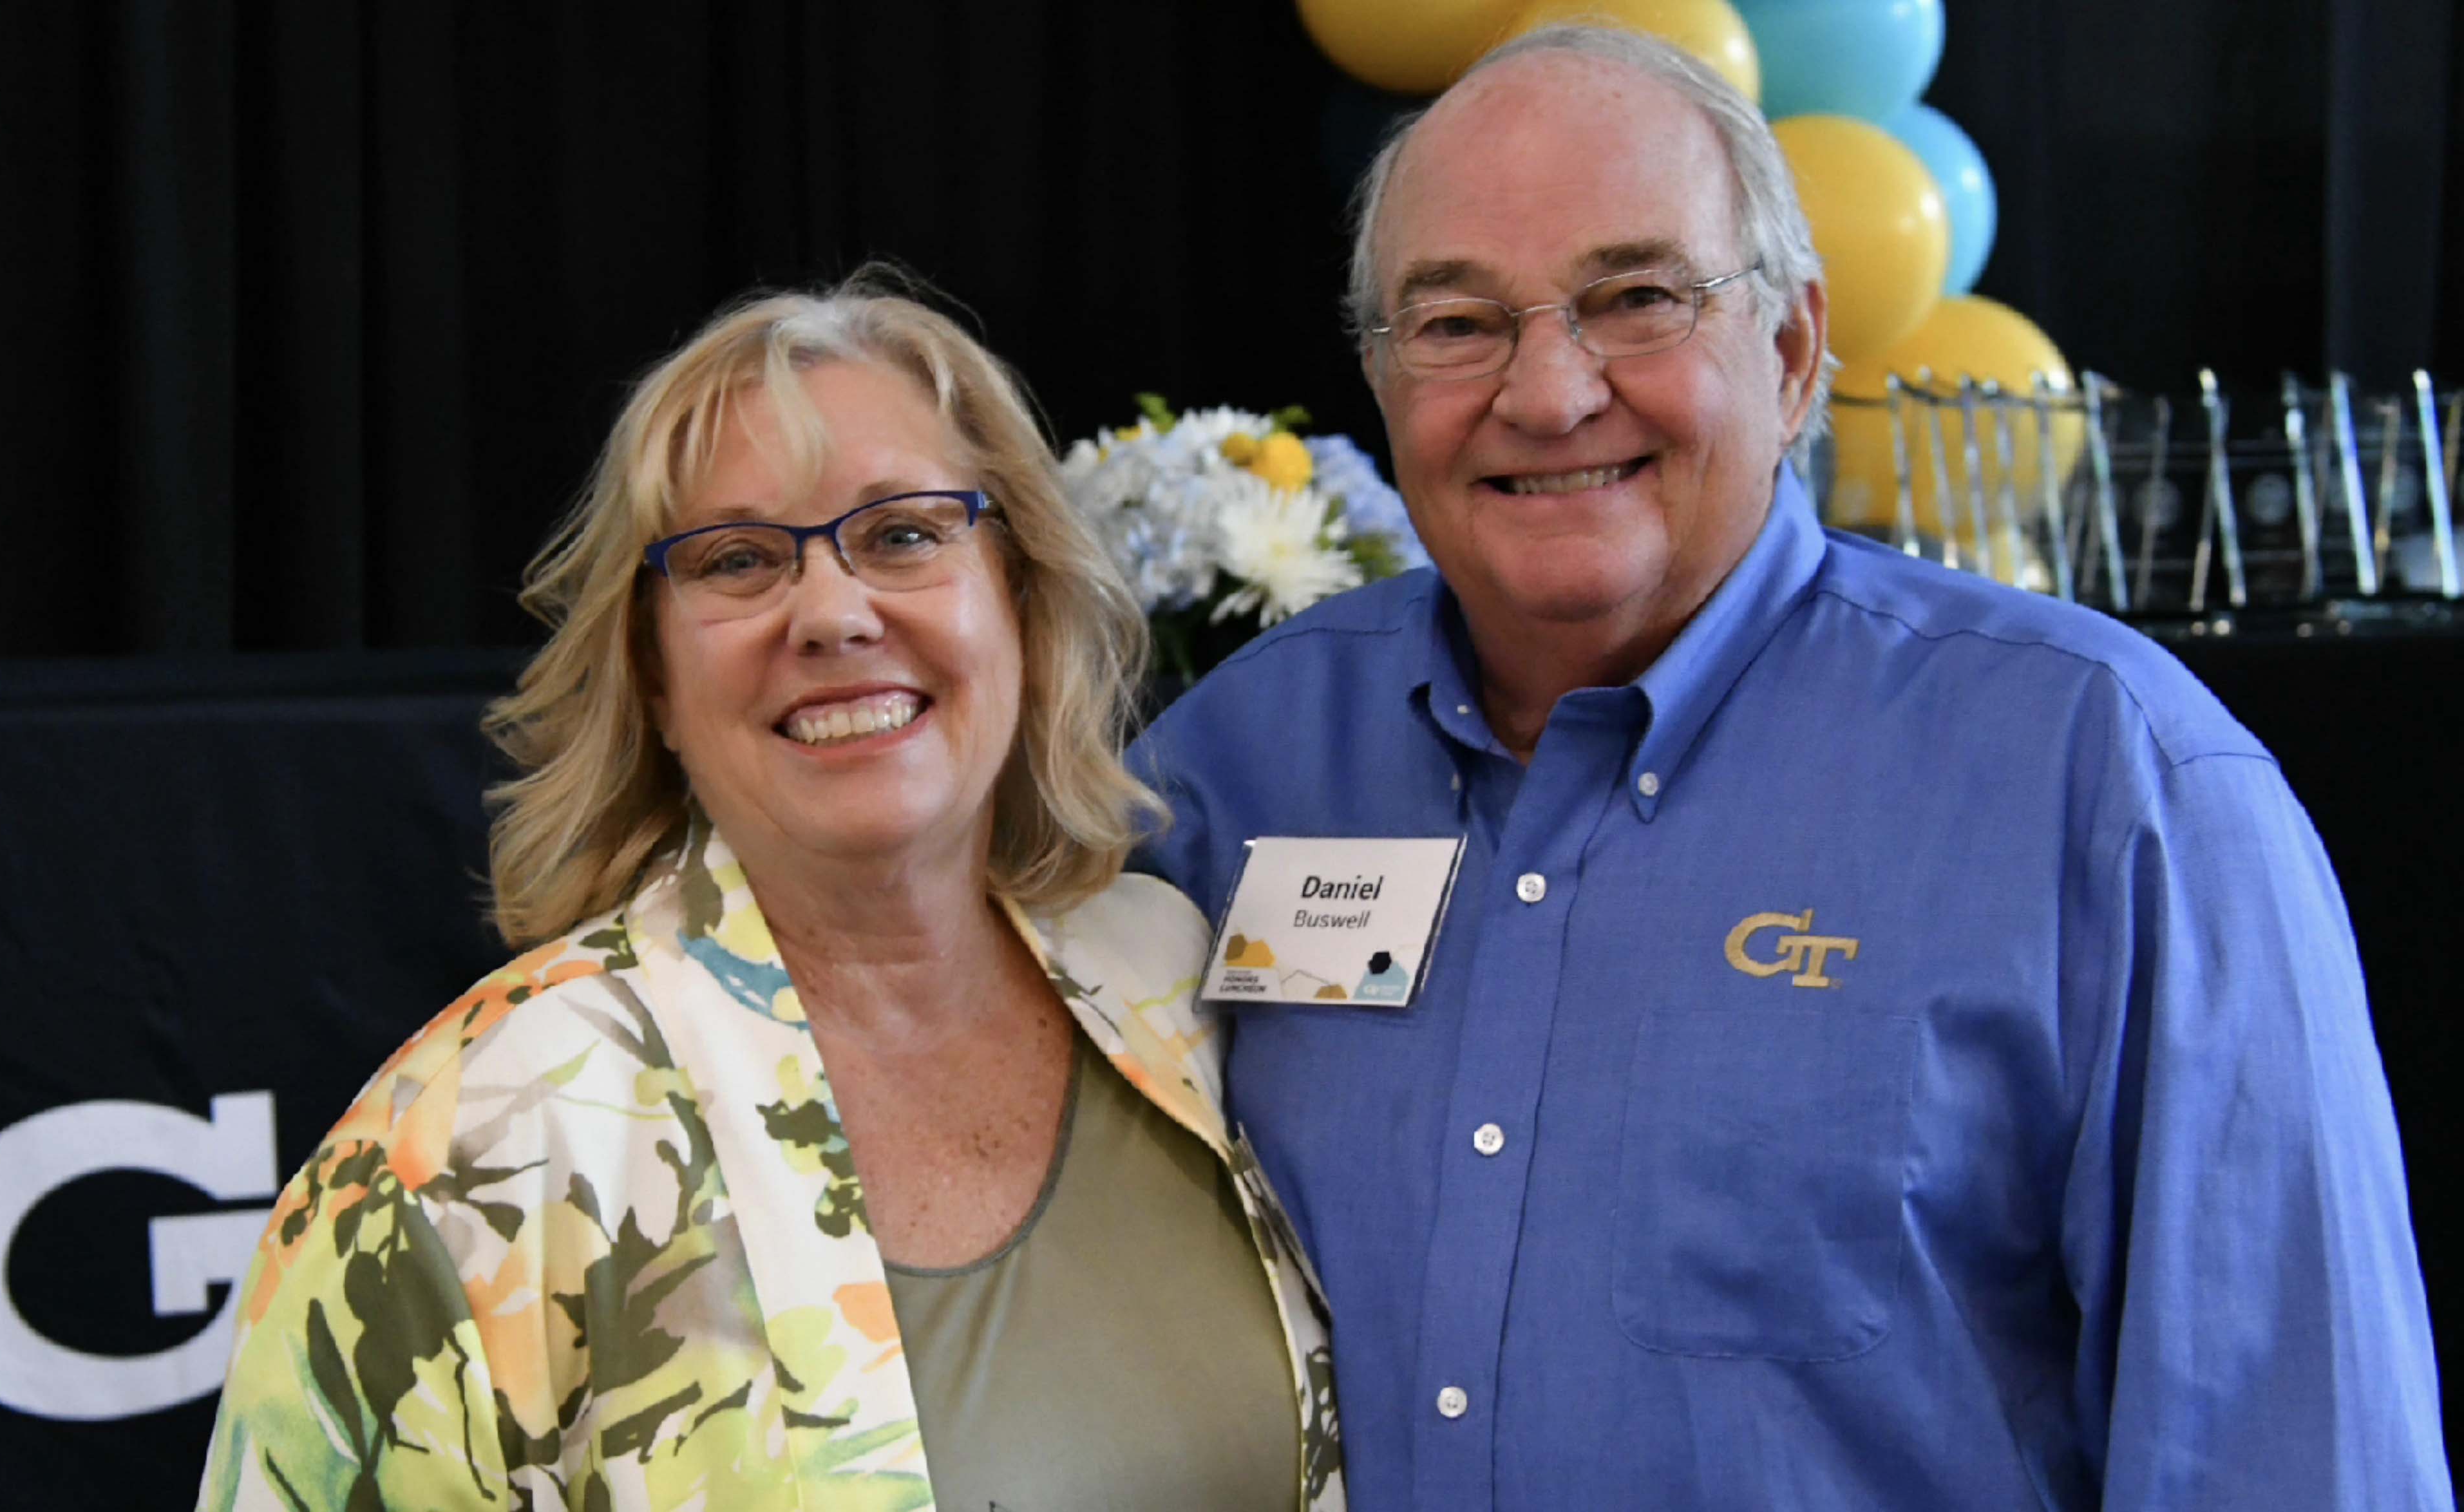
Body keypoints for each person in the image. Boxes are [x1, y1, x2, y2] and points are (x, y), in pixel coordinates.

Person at [1130, 23, 2448, 1511]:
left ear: (1796, 347)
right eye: (1456, 323)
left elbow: (2300, 1455)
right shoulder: (1231, 771)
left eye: (1636, 300)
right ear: (1379, 372)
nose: (1549, 392)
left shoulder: (2109, 783)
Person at [198, 277, 1344, 1511]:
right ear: (649, 675)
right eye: (736, 560)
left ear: (1021, 595)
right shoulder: (470, 1141)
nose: (834, 613)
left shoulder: (1177, 981)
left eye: (904, 534)